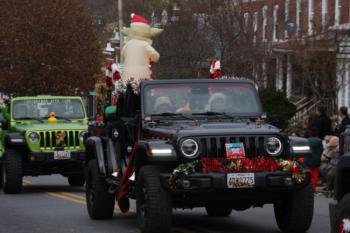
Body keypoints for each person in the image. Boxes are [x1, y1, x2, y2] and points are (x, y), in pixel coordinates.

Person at [305, 128, 323, 192]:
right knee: (315, 175)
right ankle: (314, 188)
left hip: (307, 159)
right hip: (316, 160)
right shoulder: (319, 140)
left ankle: (308, 188)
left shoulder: (307, 140)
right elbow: (321, 150)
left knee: (308, 174)